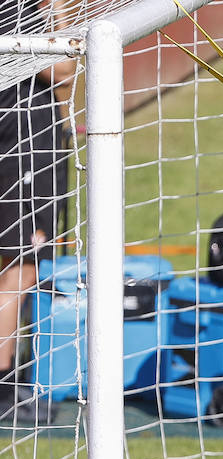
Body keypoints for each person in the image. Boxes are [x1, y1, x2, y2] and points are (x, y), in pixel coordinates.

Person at [1, 0, 75, 424]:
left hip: (22, 129)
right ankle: (6, 386)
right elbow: (63, 71)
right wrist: (60, 9)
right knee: (21, 267)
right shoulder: (23, 6)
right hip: (24, 135)